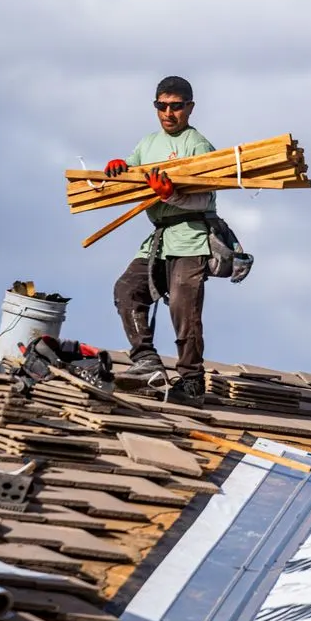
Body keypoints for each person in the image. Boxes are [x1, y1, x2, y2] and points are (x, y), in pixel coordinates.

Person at [104, 76, 216, 408]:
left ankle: (192, 382)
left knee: (184, 308)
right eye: (161, 106)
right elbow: (132, 180)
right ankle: (146, 360)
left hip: (190, 237)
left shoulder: (199, 146)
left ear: (189, 108)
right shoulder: (147, 144)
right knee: (128, 289)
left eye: (176, 106)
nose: (168, 113)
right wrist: (121, 172)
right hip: (159, 238)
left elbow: (205, 198)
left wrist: (172, 195)